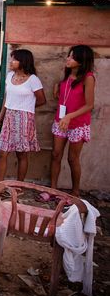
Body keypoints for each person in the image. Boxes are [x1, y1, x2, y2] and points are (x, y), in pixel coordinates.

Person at [0, 49, 46, 182]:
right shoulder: (9, 76)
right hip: (9, 117)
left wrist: (25, 108)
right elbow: (8, 97)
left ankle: (19, 185)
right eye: (11, 58)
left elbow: (41, 100)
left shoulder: (33, 79)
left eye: (14, 59)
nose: (11, 62)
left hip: (24, 119)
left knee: (21, 154)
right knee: (1, 152)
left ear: (23, 62)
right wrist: (1, 116)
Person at [51, 45, 95, 197]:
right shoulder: (67, 74)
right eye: (68, 56)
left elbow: (90, 105)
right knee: (56, 155)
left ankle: (75, 193)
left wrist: (70, 116)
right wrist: (57, 87)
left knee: (72, 158)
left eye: (71, 57)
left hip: (77, 124)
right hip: (60, 121)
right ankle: (52, 190)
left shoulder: (88, 78)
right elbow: (67, 96)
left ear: (82, 61)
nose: (68, 59)